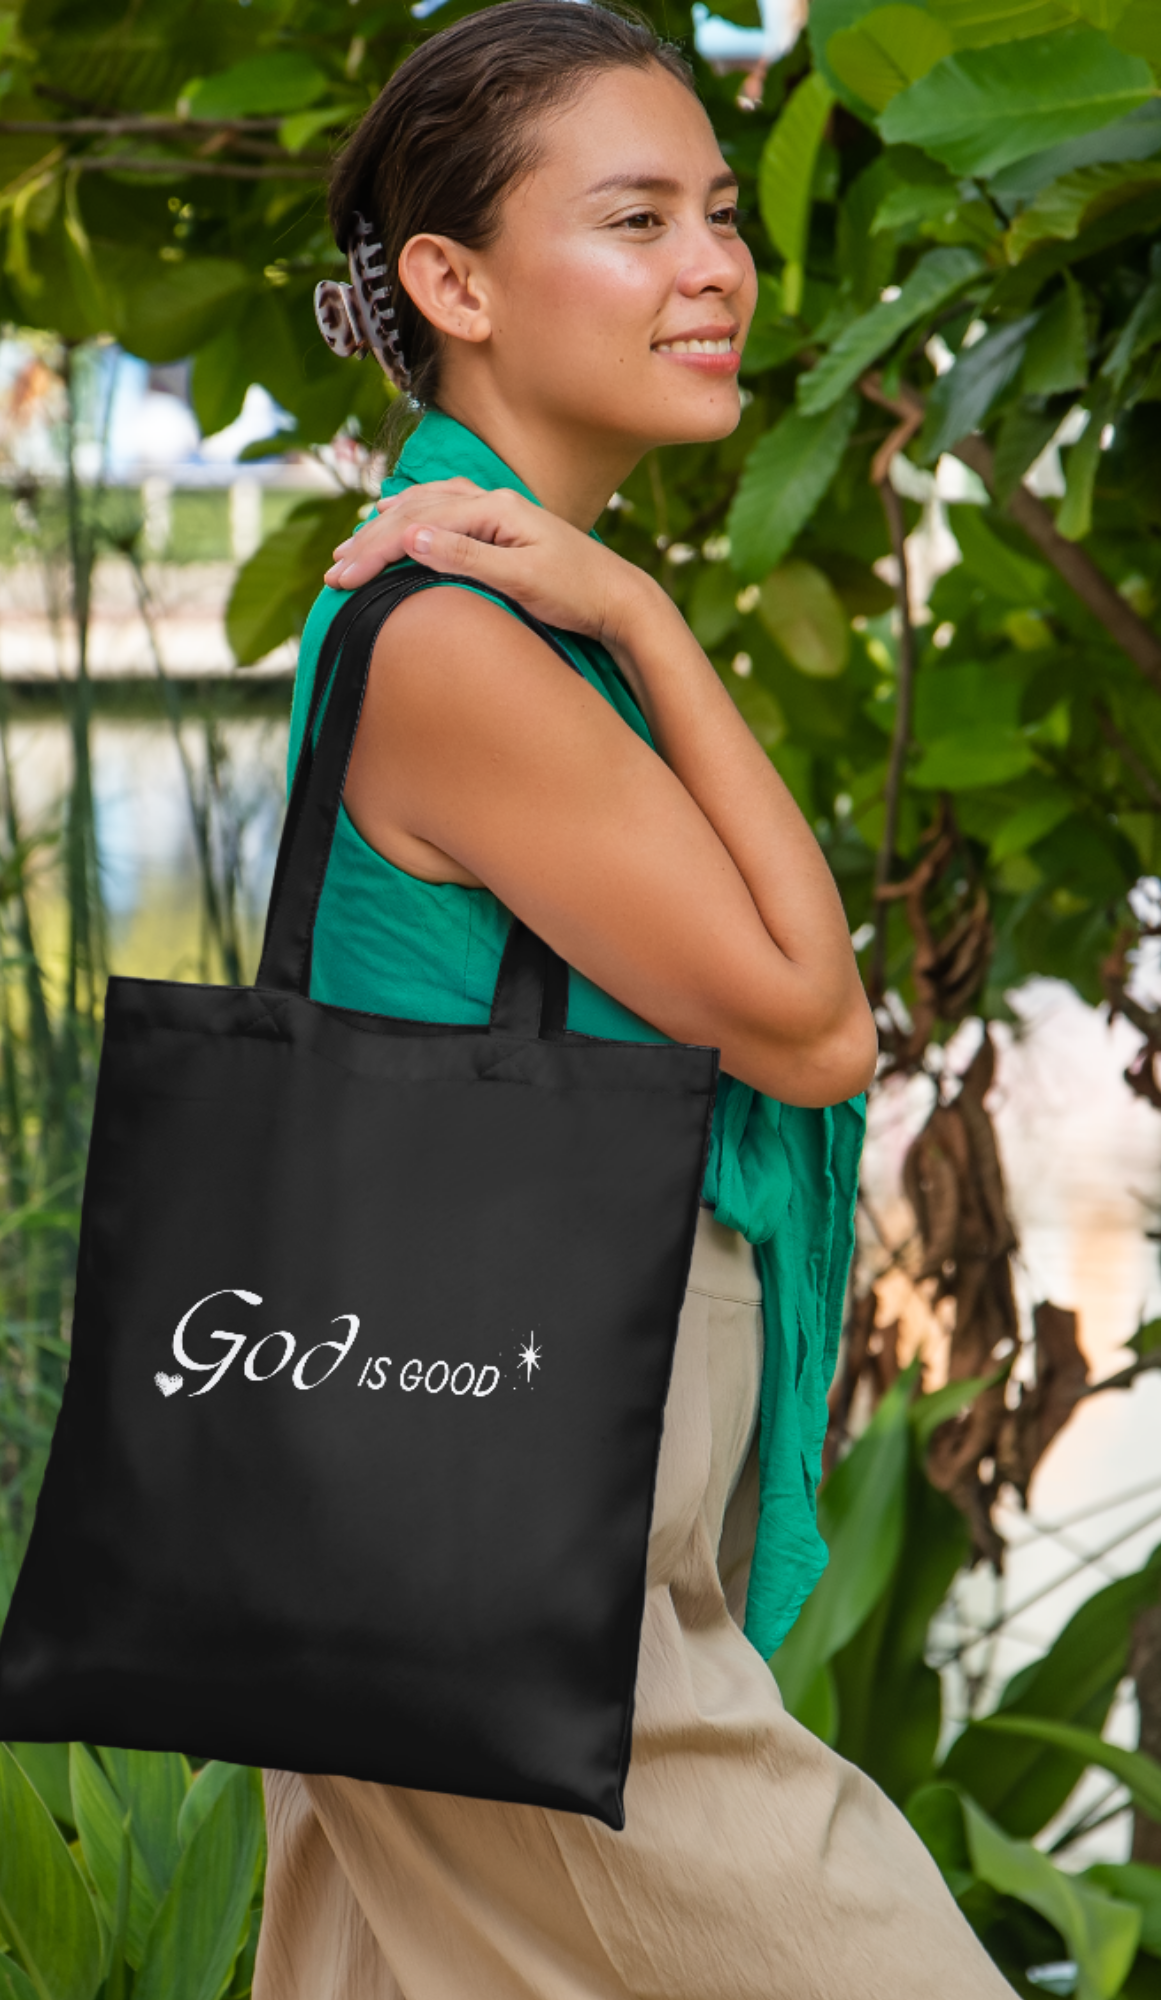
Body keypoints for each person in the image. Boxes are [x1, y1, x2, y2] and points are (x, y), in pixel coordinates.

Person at [254, 7, 1015, 1995]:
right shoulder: (464, 639)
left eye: (717, 214)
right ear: (454, 284)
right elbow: (812, 1025)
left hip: (443, 1444)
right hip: (496, 1477)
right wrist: (651, 617)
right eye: (634, 219)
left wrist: (618, 611)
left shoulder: (508, 607)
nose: (712, 268)